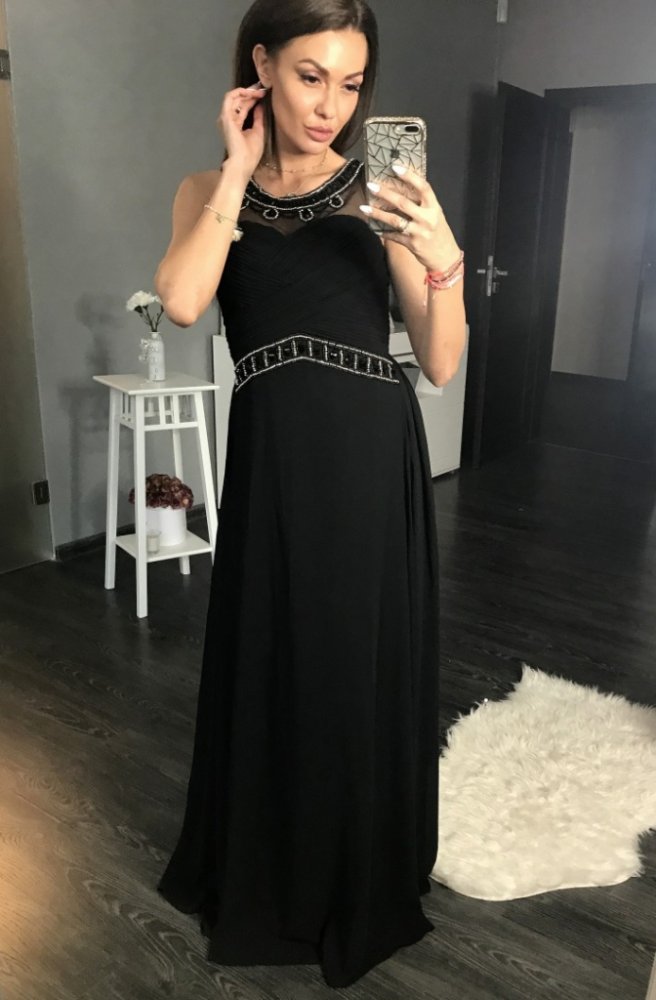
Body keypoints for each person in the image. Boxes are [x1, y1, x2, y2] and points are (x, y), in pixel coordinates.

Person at [154, 0, 466, 988]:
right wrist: (236, 171)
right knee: (276, 655)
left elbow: (440, 361)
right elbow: (183, 300)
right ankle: (274, 862)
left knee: (346, 661)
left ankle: (352, 869)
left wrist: (442, 257)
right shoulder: (206, 189)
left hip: (368, 456)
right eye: (309, 76)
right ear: (261, 66)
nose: (332, 104)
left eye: (351, 82)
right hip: (272, 459)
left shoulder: (382, 191)